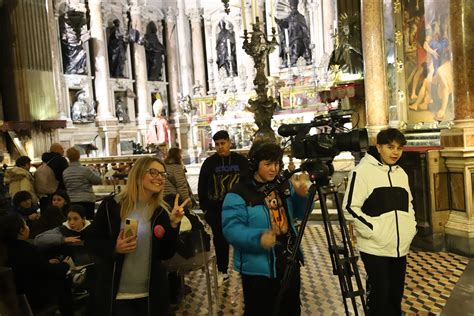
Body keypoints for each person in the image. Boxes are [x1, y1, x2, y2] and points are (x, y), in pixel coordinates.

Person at [84, 156, 189, 316]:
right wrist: (115, 248)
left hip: (150, 296)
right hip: (117, 294)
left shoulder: (160, 211)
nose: (159, 178)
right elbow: (91, 241)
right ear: (139, 174)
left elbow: (165, 253)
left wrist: (173, 225)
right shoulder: (112, 206)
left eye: (162, 174)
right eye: (154, 172)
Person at [222, 141, 309, 315]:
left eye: (276, 163)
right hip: (258, 272)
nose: (273, 169)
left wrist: (301, 197)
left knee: (290, 310)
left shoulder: (284, 185)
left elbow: (299, 214)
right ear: (254, 165)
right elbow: (231, 229)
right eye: (268, 164)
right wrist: (259, 238)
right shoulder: (238, 194)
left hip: (289, 263)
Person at [342, 128, 417, 316]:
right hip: (375, 248)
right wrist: (373, 230)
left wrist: (411, 227)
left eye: (399, 148)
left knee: (394, 297)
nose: (395, 152)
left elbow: (409, 205)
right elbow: (350, 208)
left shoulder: (401, 174)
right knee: (379, 298)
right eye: (390, 147)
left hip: (399, 247)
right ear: (378, 146)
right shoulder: (362, 172)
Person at [197, 130, 249, 285]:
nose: (220, 147)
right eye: (217, 144)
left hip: (239, 209)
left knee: (242, 240)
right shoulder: (209, 163)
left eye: (223, 143)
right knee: (220, 241)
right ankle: (222, 271)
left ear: (229, 142)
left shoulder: (241, 161)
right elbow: (202, 186)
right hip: (216, 210)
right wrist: (205, 209)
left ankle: (245, 270)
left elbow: (248, 183)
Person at [0, 213, 73, 315]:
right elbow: (49, 272)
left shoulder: (4, 249)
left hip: (9, 299)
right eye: (25, 225)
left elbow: (34, 267)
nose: (27, 227)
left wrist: (45, 263)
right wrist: (65, 264)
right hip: (31, 299)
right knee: (62, 281)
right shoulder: (27, 249)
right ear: (20, 231)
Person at [62, 147, 102, 219]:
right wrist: (95, 170)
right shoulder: (85, 170)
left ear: (68, 157)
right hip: (86, 200)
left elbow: (66, 185)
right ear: (79, 156)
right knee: (88, 223)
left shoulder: (65, 172)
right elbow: (98, 181)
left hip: (72, 200)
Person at [39, 143, 69, 211]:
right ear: (56, 150)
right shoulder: (61, 160)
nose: (63, 150)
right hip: (58, 191)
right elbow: (65, 175)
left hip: (45, 193)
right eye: (61, 148)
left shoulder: (44, 161)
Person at [59, 11, 88, 75]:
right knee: (80, 53)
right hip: (70, 46)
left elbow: (78, 37)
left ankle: (79, 68)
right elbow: (65, 38)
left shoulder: (74, 29)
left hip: (75, 45)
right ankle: (71, 68)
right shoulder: (65, 27)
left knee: (83, 53)